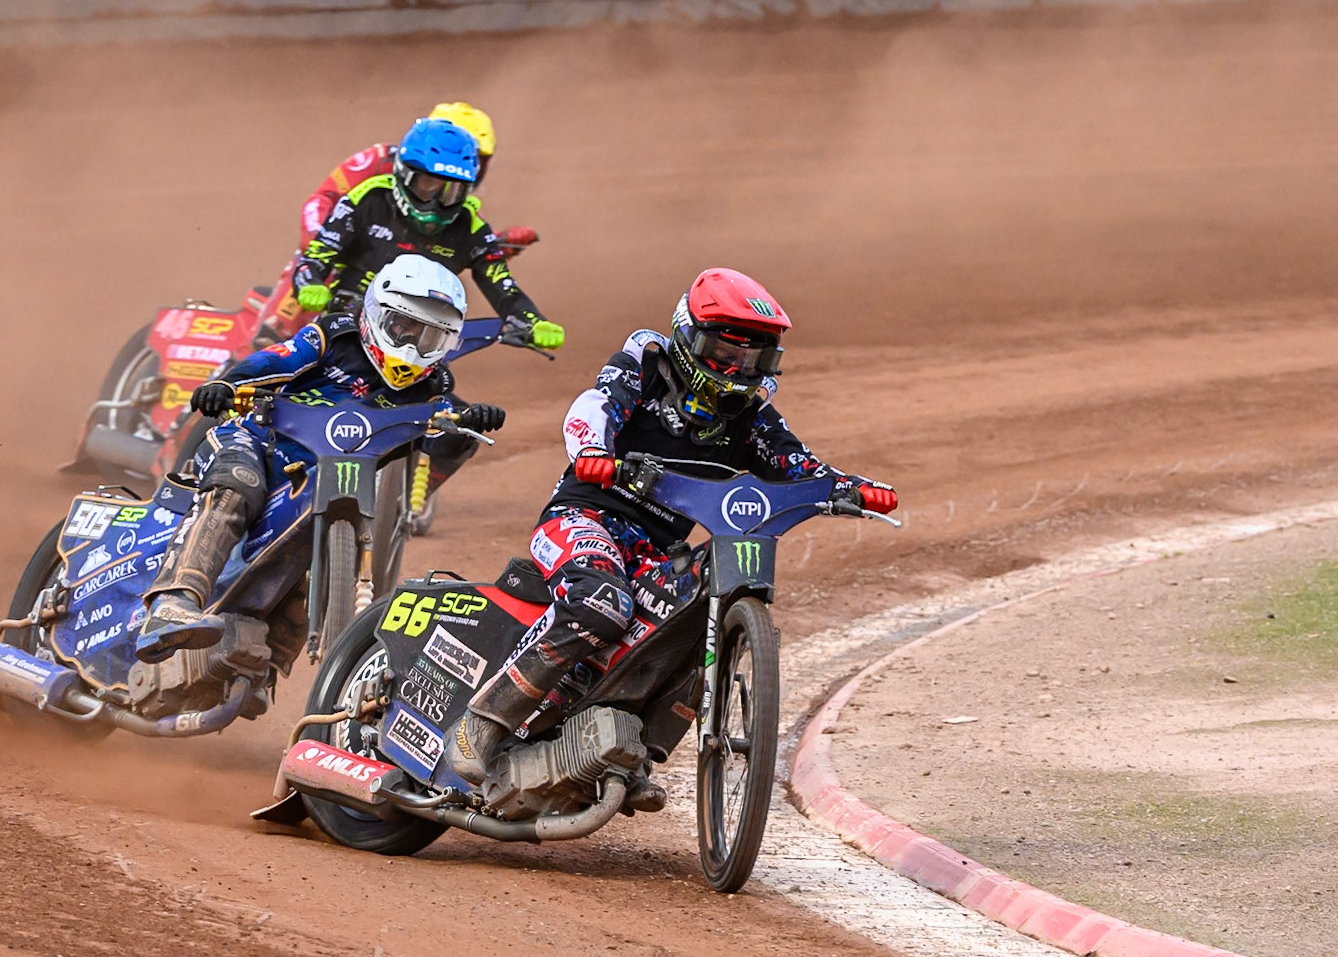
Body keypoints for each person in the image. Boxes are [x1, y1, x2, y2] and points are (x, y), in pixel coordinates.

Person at [447, 268, 897, 807]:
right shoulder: (646, 364)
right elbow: (595, 407)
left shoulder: (751, 416)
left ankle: (632, 751)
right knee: (602, 605)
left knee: (700, 618)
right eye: (725, 351)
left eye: (754, 359)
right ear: (688, 336)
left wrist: (852, 488)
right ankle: (483, 720)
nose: (737, 369)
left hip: (658, 551)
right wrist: (594, 450)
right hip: (583, 518)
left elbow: (797, 464)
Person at [135, 255, 507, 665]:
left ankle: (266, 661)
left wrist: (468, 420)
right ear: (376, 314)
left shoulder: (434, 382)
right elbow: (274, 359)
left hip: (322, 474)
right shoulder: (334, 335)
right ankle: (173, 601)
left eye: (430, 338)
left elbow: (437, 431)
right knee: (236, 487)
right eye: (403, 328)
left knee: (303, 550)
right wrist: (226, 383)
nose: (411, 347)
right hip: (258, 440)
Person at [292, 115, 565, 534]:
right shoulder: (366, 198)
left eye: (451, 190)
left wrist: (532, 321)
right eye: (428, 186)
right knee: (286, 398)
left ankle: (417, 489)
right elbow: (315, 256)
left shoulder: (471, 224)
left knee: (461, 429)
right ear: (404, 175)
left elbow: (501, 284)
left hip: (418, 348)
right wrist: (310, 284)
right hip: (347, 330)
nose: (437, 202)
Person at [259, 102, 537, 333]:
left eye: (479, 156)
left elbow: (444, 246)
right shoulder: (377, 162)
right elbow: (321, 200)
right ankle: (265, 338)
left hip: (392, 274)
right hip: (344, 247)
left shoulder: (457, 198)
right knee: (311, 278)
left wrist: (497, 245)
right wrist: (325, 240)